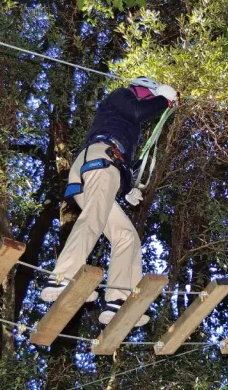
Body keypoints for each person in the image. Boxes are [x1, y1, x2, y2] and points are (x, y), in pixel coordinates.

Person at [40, 77, 178, 327]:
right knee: (94, 217)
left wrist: (127, 189)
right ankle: (62, 277)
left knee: (126, 235)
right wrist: (163, 100)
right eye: (150, 94)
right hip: (101, 158)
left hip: (101, 165)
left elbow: (125, 156)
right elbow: (137, 111)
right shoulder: (121, 95)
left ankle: (118, 300)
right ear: (140, 88)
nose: (151, 98)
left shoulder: (127, 127)